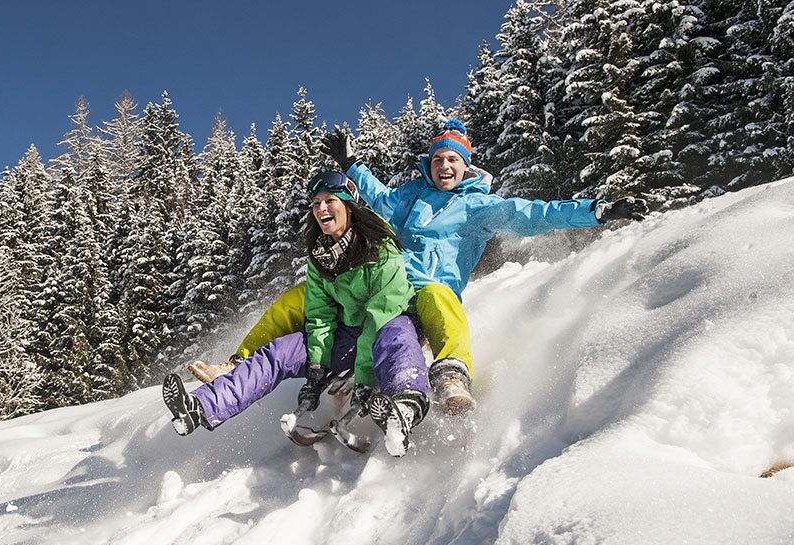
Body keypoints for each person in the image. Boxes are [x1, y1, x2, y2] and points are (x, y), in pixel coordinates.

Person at [190, 119, 648, 414]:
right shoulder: (411, 196)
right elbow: (380, 198)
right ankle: (237, 366)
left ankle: (449, 375)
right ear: (428, 164)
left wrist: (597, 209)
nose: (444, 165)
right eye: (438, 159)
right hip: (383, 286)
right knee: (302, 298)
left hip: (425, 295)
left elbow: (534, 214)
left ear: (465, 166)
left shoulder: (479, 207)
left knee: (441, 297)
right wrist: (352, 163)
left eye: (453, 160)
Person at [163, 169, 431, 455]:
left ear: (349, 205)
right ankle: (201, 407)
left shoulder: (379, 247)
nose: (321, 209)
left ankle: (405, 405)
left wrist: (365, 378)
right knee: (280, 351)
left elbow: (382, 314)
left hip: (390, 324)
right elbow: (320, 316)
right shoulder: (321, 257)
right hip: (349, 334)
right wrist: (316, 370)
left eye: (330, 201)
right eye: (316, 203)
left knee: (396, 336)